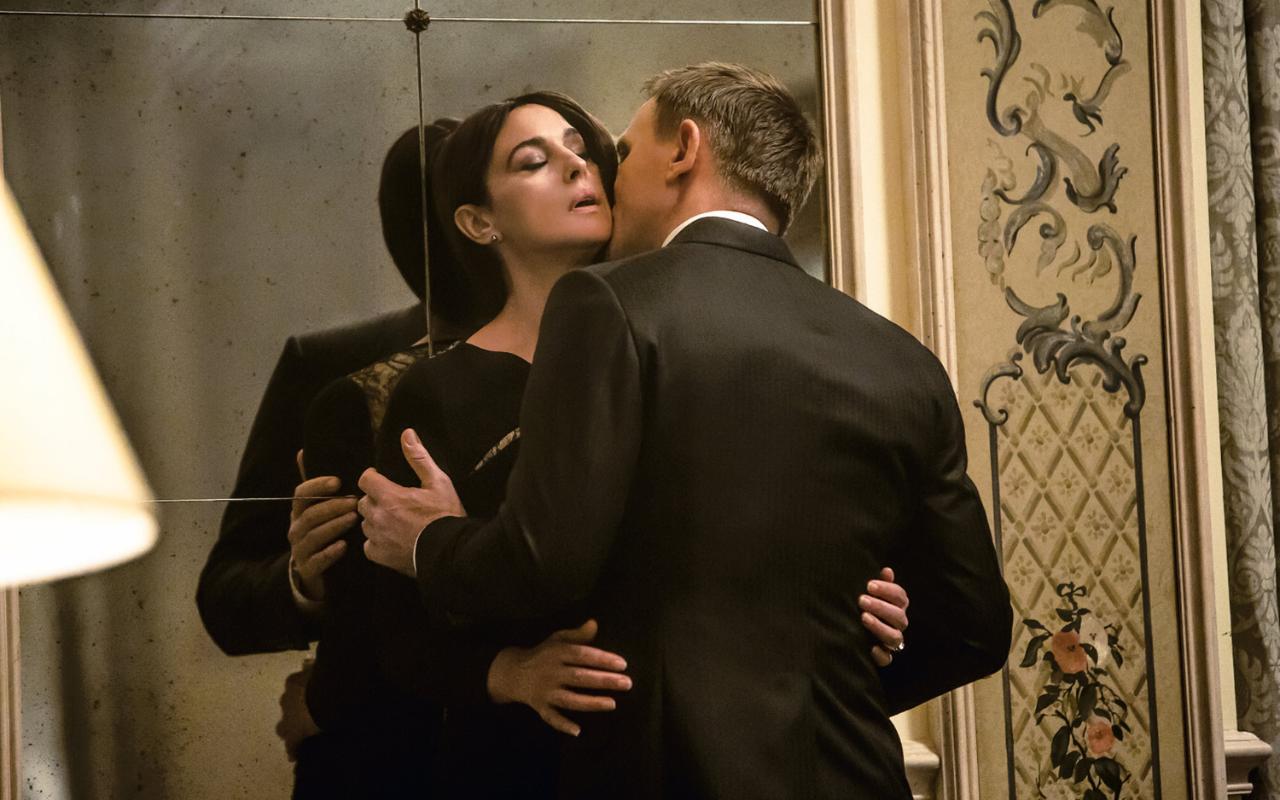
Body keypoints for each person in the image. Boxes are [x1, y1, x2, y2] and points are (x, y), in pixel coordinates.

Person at [359, 63, 1012, 798]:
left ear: (684, 149)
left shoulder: (610, 304)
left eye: (623, 151)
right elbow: (973, 628)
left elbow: (545, 561)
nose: (605, 174)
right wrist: (836, 687)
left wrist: (429, 540)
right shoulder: (902, 358)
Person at [194, 120, 476, 791]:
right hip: (374, 764)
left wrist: (326, 700)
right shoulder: (330, 366)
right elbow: (224, 595)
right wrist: (305, 580)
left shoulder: (589, 356)